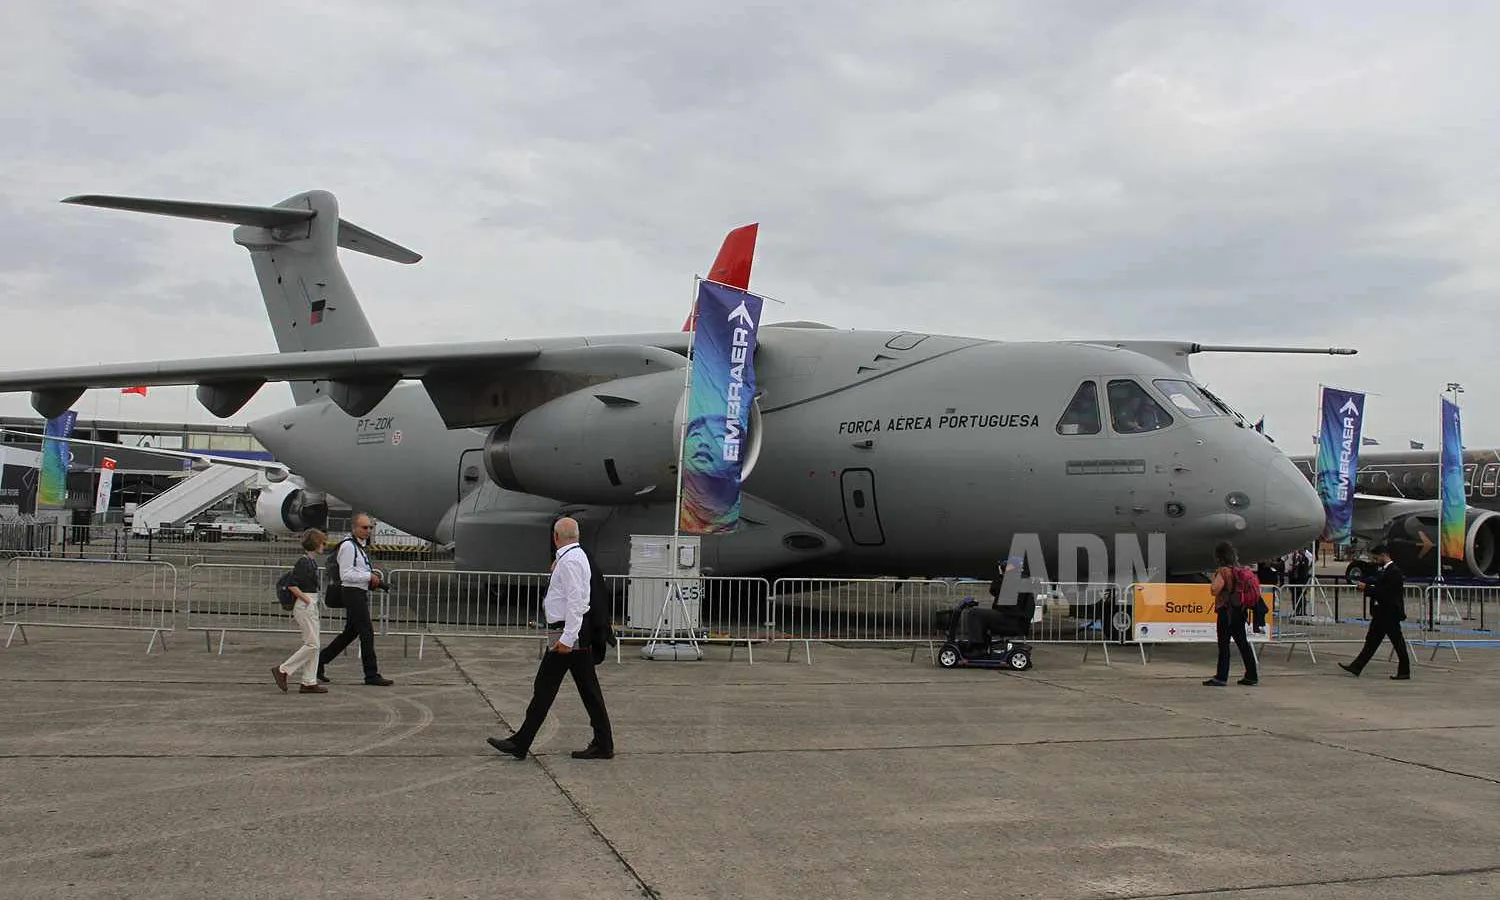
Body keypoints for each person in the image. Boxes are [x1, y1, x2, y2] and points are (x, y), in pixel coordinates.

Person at [488, 517, 614, 760]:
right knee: (587, 690)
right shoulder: (573, 557)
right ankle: (603, 743)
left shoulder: (570, 562)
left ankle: (521, 742)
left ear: (556, 537)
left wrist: (568, 638)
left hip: (569, 633)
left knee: (545, 688)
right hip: (571, 632)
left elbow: (577, 603)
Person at [316, 513, 393, 686]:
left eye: (370, 527)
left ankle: (320, 661)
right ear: (354, 528)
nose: (368, 530)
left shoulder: (359, 547)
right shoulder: (349, 547)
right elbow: (346, 574)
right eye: (364, 527)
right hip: (352, 593)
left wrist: (372, 579)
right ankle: (371, 674)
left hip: (358, 592)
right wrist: (368, 577)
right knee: (366, 633)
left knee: (350, 633)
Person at [1340, 543, 1411, 680]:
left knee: (1397, 642)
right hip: (1381, 613)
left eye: (1376, 558)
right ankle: (1356, 666)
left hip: (1389, 613)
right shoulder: (1384, 570)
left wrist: (1366, 588)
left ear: (1384, 555)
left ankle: (1404, 670)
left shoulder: (1394, 572)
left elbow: (1385, 592)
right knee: (1372, 641)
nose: (1375, 561)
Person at [272, 529, 329, 694]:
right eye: (322, 542)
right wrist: (306, 600)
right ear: (316, 543)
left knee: (313, 644)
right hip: (305, 604)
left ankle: (309, 681)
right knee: (313, 644)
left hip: (309, 602)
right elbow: (292, 584)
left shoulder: (309, 561)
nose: (324, 545)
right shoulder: (303, 562)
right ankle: (283, 670)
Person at [1205, 541, 1259, 686]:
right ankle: (1252, 675)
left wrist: (1213, 578)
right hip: (1239, 610)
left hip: (1225, 611)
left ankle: (1221, 676)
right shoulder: (1239, 569)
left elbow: (1214, 590)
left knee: (1224, 644)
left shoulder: (1223, 571)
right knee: (1243, 643)